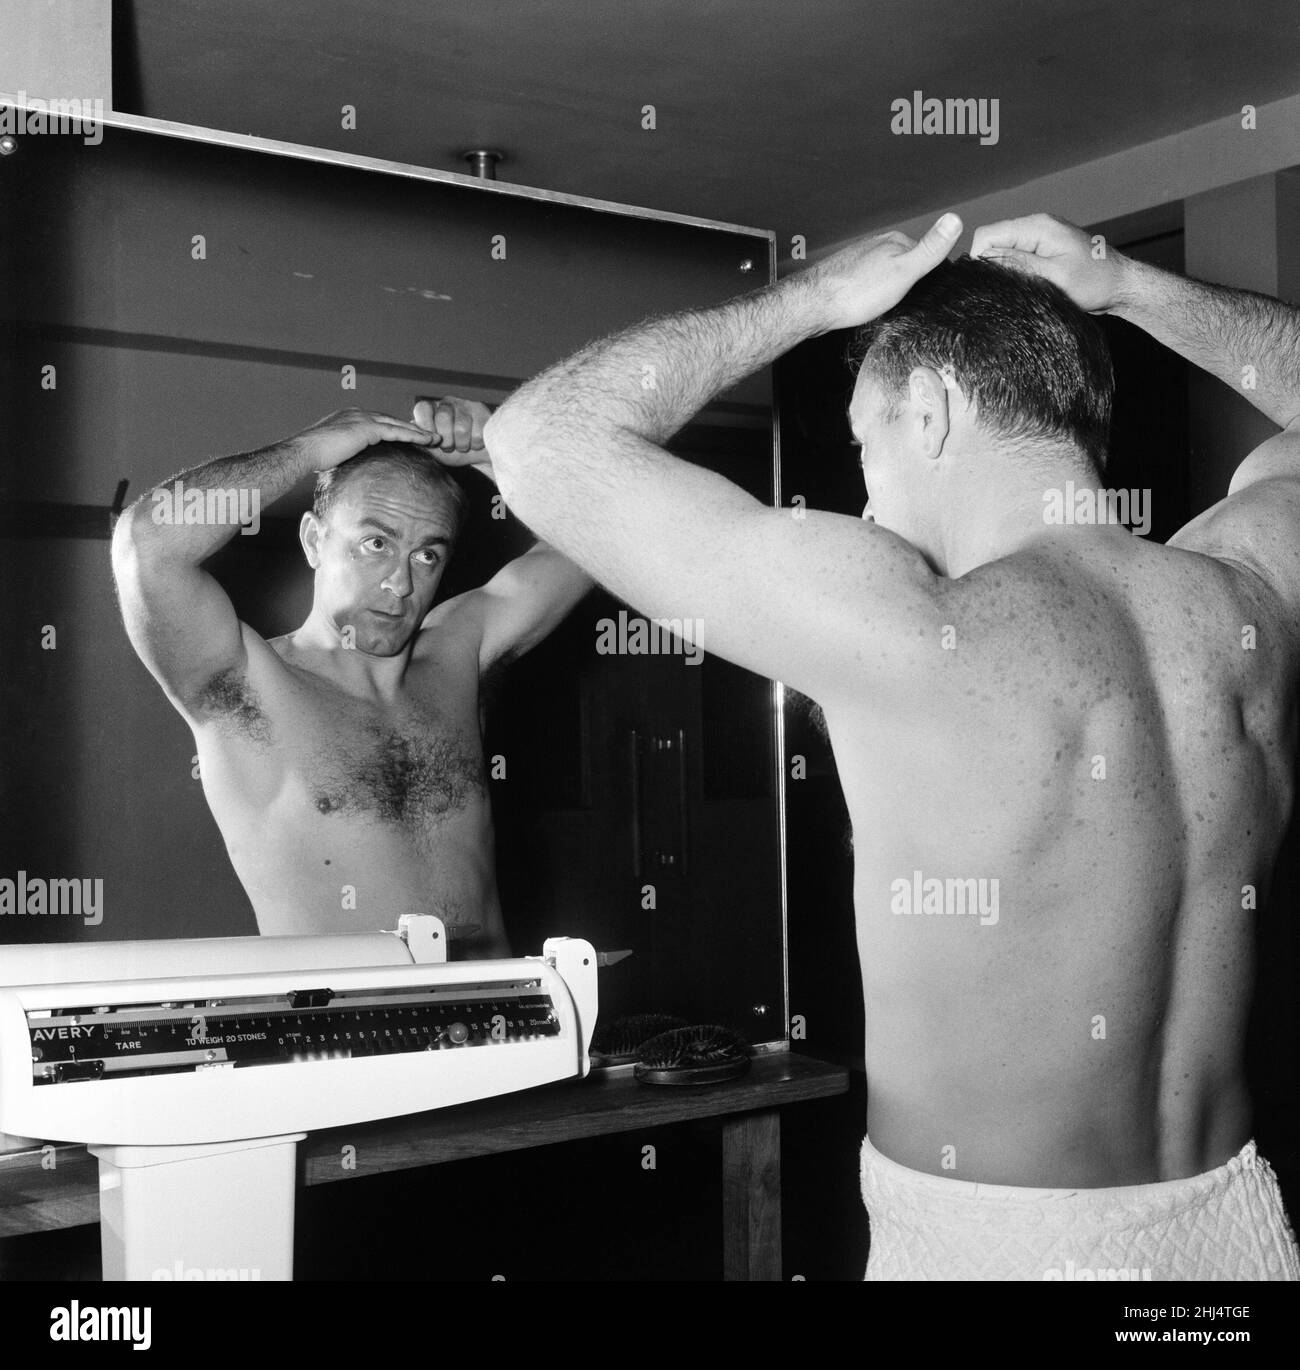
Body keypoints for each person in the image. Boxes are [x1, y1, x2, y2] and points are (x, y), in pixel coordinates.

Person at [478, 212, 1300, 1279]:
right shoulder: (1250, 598)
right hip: (1228, 1234)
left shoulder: (909, 625)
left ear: (933, 408)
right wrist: (1130, 286)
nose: (867, 492)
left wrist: (811, 298)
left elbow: (536, 442)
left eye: (867, 440)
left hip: (995, 1246)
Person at [111, 398, 591, 957]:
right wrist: (307, 450)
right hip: (344, 1036)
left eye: (427, 556)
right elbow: (147, 546)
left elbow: (591, 542)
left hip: (498, 1023)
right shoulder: (246, 682)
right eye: (376, 543)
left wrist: (495, 457)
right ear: (315, 540)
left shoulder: (459, 655)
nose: (400, 584)